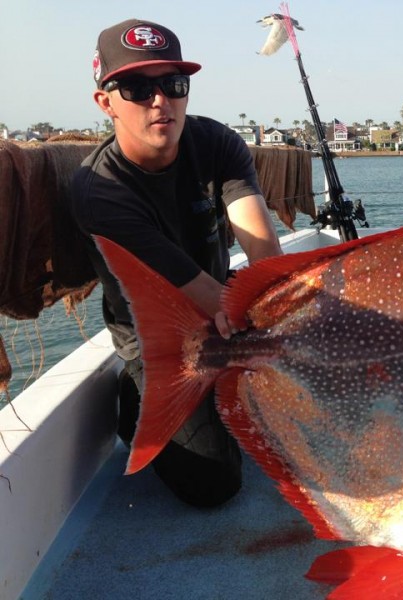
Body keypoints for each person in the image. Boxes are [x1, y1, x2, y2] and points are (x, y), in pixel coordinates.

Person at [71, 19, 282, 507]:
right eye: (137, 87)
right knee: (214, 486)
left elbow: (263, 252)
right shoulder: (99, 192)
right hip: (161, 339)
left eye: (173, 84)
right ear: (105, 102)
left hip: (225, 305)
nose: (159, 100)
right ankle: (134, 398)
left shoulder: (217, 143)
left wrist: (284, 314)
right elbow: (198, 293)